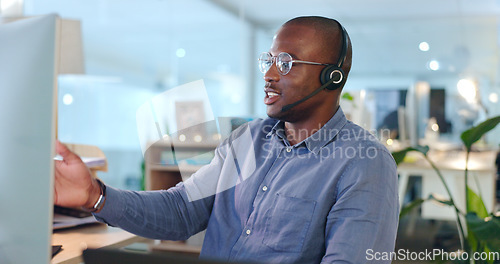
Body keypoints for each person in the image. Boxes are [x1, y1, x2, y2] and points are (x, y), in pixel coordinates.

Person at [55, 16, 399, 264]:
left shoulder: (365, 162)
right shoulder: (246, 140)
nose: (269, 74)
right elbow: (179, 211)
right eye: (268, 60)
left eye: (286, 62)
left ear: (332, 77)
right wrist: (94, 196)